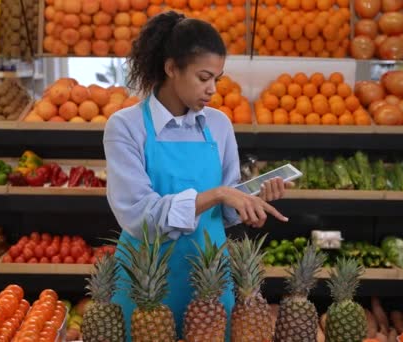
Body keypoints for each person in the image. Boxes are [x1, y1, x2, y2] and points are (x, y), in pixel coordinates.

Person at [103, 10, 289, 340]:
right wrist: (218, 194)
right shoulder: (125, 127)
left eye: (217, 78)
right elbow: (138, 215)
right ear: (171, 68)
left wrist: (251, 202)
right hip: (147, 289)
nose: (212, 89)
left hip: (211, 283)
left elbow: (227, 208)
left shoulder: (218, 125)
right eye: (203, 78)